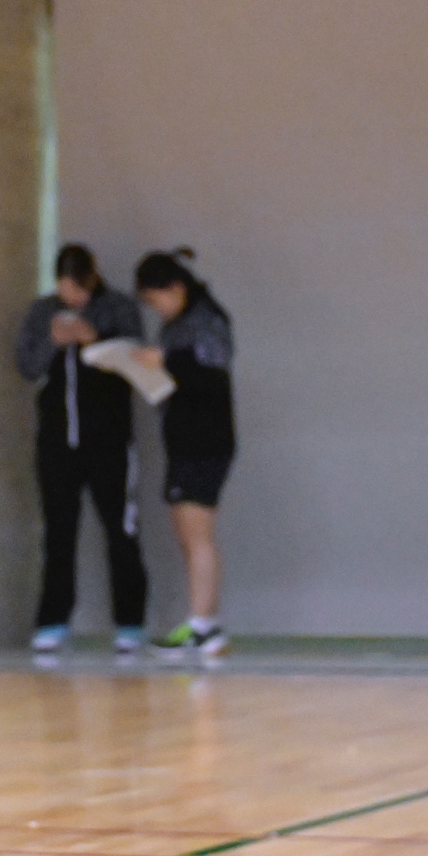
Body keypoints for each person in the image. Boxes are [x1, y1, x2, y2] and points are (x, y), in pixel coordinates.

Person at [14, 244, 149, 656]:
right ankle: (53, 620)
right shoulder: (42, 311)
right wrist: (53, 342)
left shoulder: (119, 308)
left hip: (109, 440)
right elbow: (26, 366)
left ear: (92, 278)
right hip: (57, 441)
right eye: (65, 289)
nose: (71, 297)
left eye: (78, 288)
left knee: (120, 532)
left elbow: (138, 364)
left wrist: (96, 340)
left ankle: (130, 622)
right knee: (59, 532)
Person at [133, 250, 234, 659]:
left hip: (205, 440)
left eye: (156, 298)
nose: (156, 308)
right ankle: (203, 622)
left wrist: (167, 360)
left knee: (198, 533)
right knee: (187, 532)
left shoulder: (207, 320)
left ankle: (203, 625)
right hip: (183, 437)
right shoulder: (176, 325)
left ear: (175, 288)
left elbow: (210, 374)